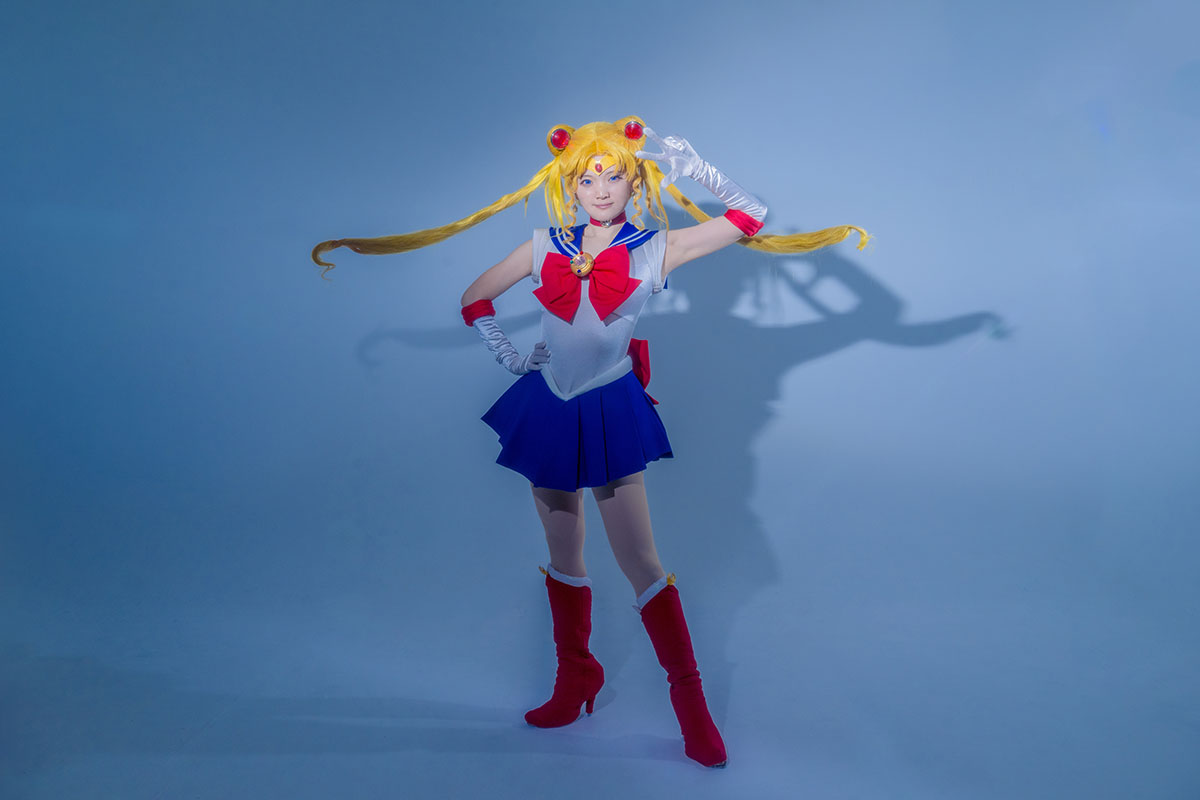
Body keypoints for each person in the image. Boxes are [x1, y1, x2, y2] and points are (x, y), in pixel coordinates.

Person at [311, 116, 867, 768]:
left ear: (635, 180)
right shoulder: (543, 244)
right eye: (587, 178)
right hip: (549, 404)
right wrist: (511, 356)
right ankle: (576, 677)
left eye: (613, 176)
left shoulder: (655, 248)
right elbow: (474, 297)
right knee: (563, 552)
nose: (600, 189)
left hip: (608, 405)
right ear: (568, 184)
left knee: (641, 562)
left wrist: (696, 167)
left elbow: (750, 217)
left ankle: (691, 707)